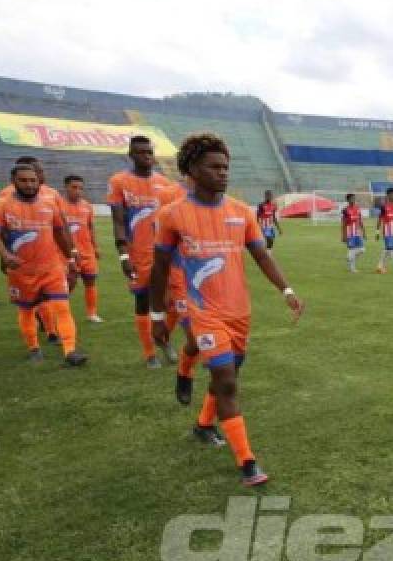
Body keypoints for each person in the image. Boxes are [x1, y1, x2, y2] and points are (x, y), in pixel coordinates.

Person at [151, 132, 304, 487]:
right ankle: (247, 462)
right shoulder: (172, 215)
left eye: (225, 167)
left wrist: (287, 289)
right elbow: (159, 268)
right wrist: (158, 316)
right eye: (214, 167)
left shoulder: (240, 211)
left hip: (239, 312)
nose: (223, 173)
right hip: (203, 313)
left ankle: (204, 425)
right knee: (226, 380)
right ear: (192, 169)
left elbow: (262, 254)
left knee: (228, 374)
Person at [0, 163, 87, 366]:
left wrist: (71, 256)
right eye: (24, 180)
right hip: (21, 270)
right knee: (27, 310)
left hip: (51, 267)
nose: (30, 185)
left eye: (33, 180)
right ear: (14, 182)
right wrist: (5, 254)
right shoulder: (2, 204)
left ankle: (70, 350)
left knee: (63, 307)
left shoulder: (49, 202)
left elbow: (59, 232)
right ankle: (33, 347)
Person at [108, 136, 185, 367]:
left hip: (166, 253)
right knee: (143, 302)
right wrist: (123, 255)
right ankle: (150, 353)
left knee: (174, 302)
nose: (147, 156)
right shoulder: (119, 181)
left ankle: (164, 339)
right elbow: (118, 221)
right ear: (131, 155)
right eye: (141, 152)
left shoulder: (164, 183)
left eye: (150, 152)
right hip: (139, 254)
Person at [61, 175, 102, 322]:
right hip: (68, 254)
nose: (78, 191)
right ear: (65, 187)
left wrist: (95, 247)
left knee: (90, 282)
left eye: (80, 188)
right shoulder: (59, 205)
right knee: (68, 285)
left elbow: (90, 227)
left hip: (87, 253)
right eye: (74, 187)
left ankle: (92, 313)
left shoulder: (87, 206)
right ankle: (58, 314)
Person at [341, 193, 365, 272]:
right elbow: (343, 223)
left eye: (354, 198)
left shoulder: (358, 208)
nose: (353, 200)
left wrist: (363, 231)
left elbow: (360, 220)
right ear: (348, 200)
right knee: (352, 249)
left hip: (357, 232)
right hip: (349, 232)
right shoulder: (345, 210)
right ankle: (352, 268)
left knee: (362, 250)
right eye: (351, 199)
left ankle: (349, 257)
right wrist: (343, 235)